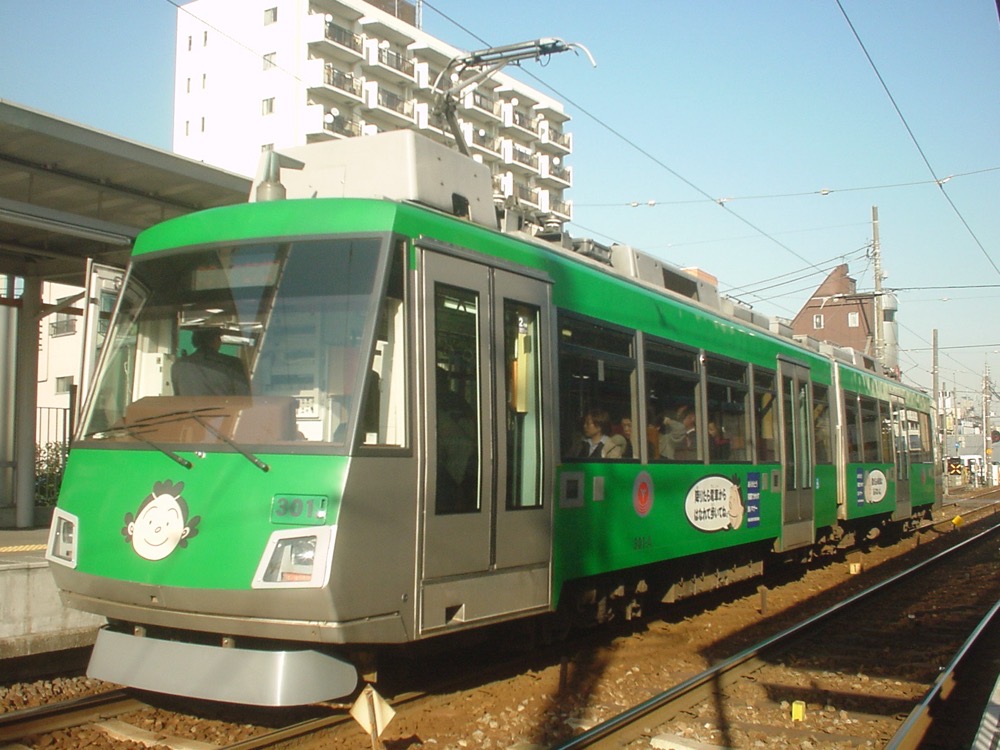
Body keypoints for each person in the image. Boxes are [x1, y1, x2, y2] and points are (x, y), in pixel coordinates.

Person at [172, 328, 250, 397]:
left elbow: (177, 397)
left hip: (187, 413)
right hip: (225, 413)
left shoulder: (178, 365)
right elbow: (244, 397)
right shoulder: (232, 364)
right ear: (216, 339)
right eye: (219, 338)